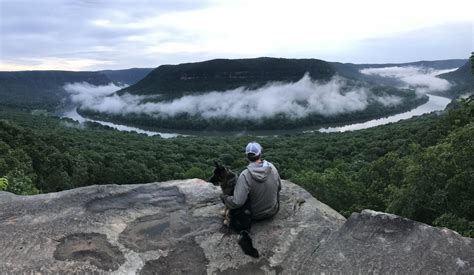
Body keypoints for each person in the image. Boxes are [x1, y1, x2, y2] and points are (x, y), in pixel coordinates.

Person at [221, 142, 281, 220]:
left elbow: (237, 202)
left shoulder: (245, 175)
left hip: (256, 215)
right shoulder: (272, 167)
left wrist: (224, 198)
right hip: (273, 210)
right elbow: (279, 187)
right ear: (260, 153)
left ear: (247, 156)